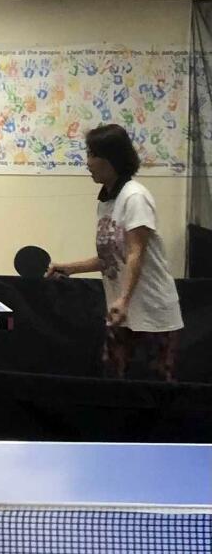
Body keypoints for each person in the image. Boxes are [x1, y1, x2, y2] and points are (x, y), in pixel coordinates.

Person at [46, 124, 182, 381]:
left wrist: (124, 300)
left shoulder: (135, 197)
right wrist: (70, 268)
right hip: (122, 315)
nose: (87, 163)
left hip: (152, 314)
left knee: (156, 393)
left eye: (91, 155)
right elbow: (112, 258)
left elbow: (135, 252)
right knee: (113, 386)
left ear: (111, 159)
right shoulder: (107, 202)